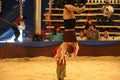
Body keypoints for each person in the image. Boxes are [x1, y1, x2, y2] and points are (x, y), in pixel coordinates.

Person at [54, 0, 86, 80]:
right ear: (69, 49)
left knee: (67, 7)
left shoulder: (72, 44)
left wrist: (70, 55)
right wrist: (71, 55)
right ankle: (78, 10)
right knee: (66, 7)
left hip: (71, 26)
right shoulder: (68, 44)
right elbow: (64, 51)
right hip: (69, 27)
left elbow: (73, 49)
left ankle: (78, 10)